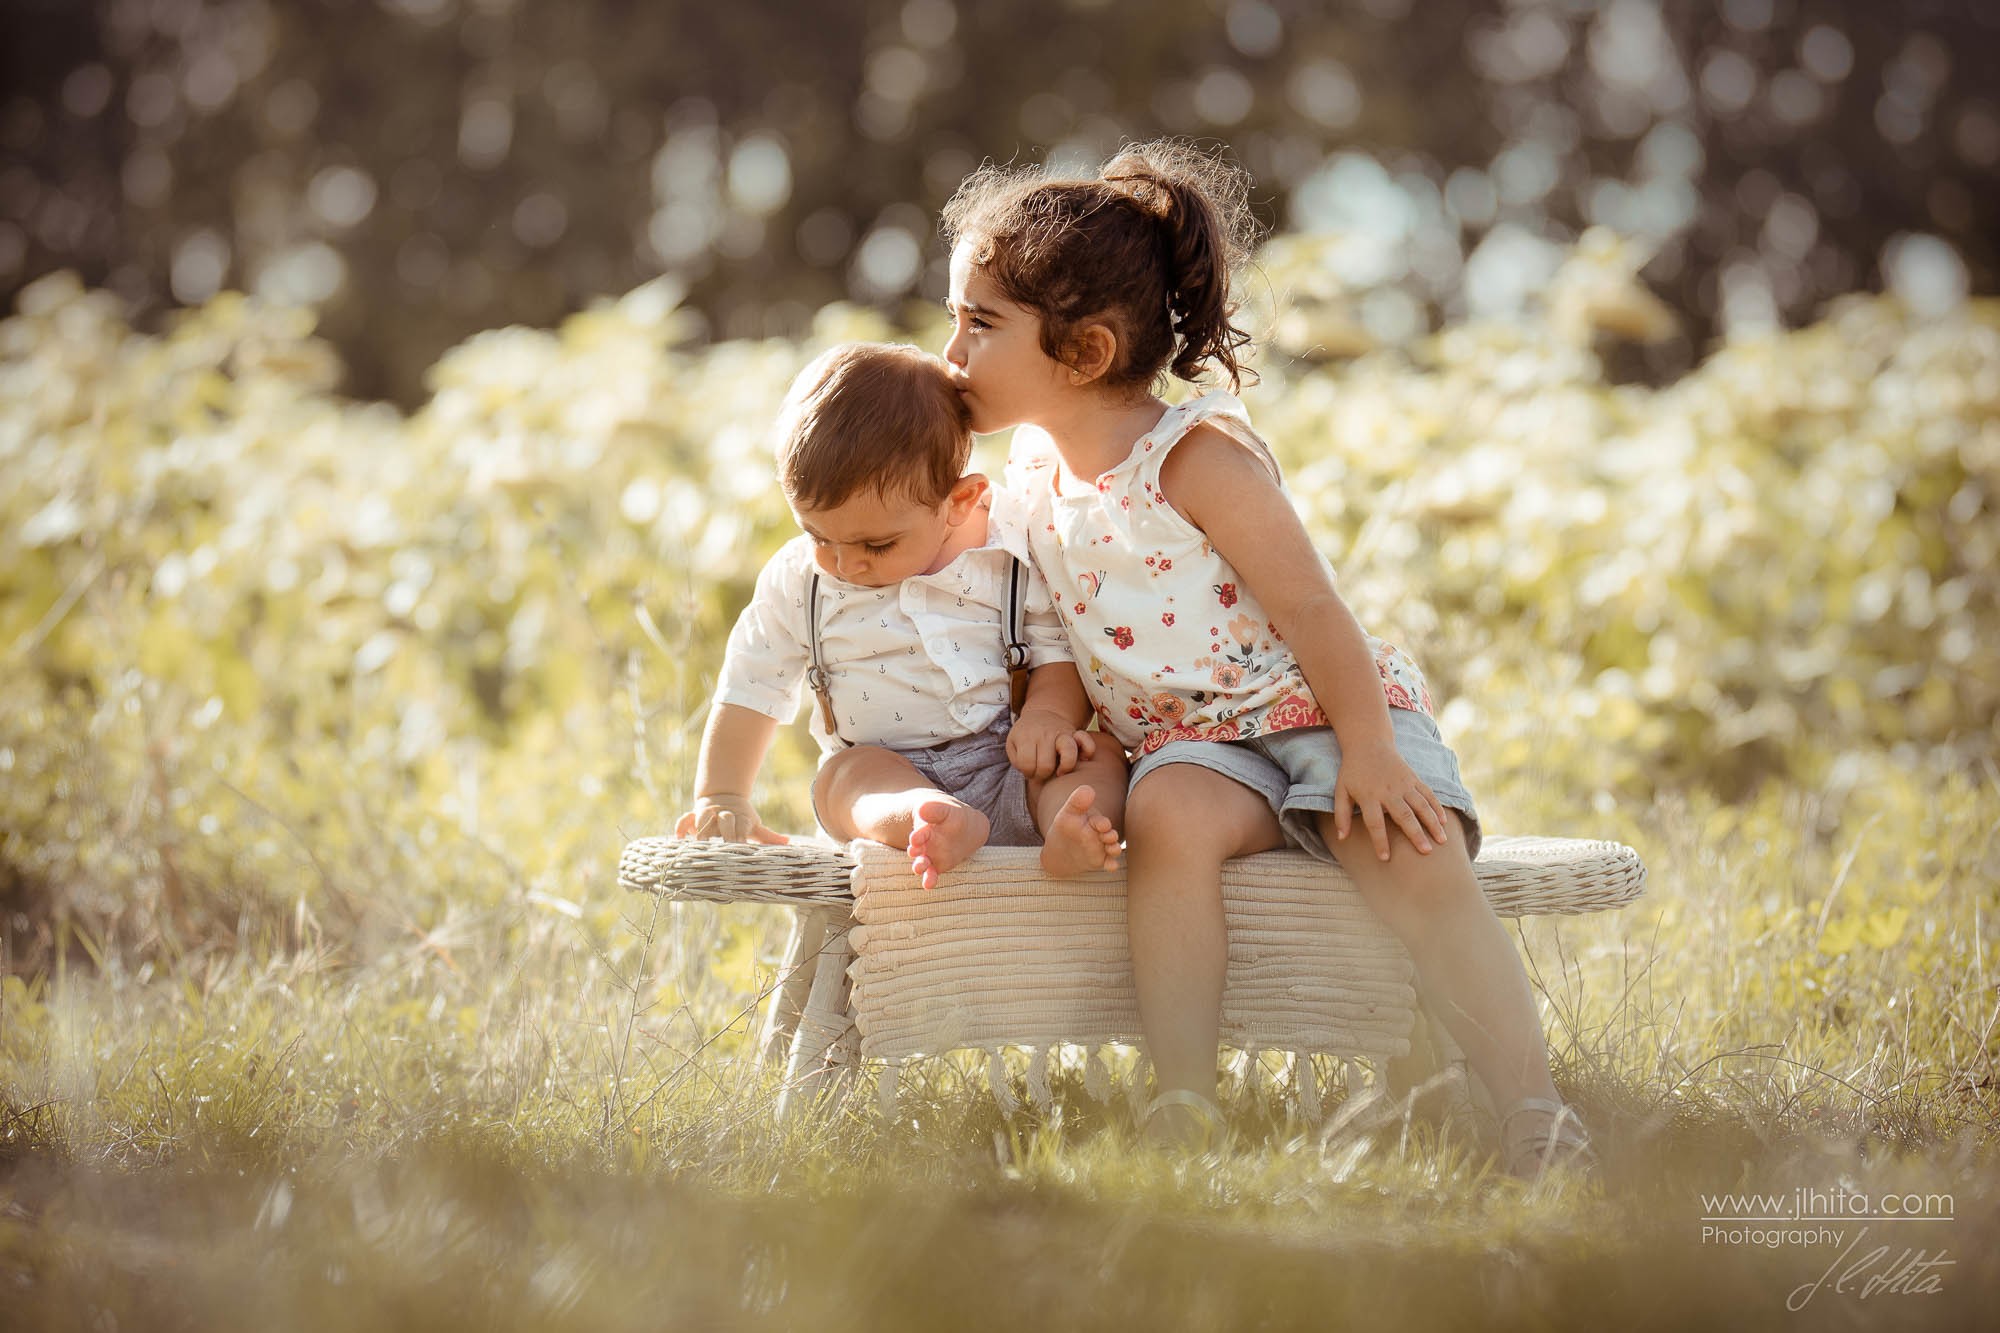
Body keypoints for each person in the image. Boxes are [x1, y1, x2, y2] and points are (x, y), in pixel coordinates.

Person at [937, 141, 1593, 1176]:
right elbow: (1054, 624)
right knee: (1165, 819)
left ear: (1087, 350)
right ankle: (1185, 1101)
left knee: (1406, 850)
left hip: (1317, 707)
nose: (951, 351)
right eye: (954, 320)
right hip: (1192, 740)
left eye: (978, 324)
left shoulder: (1195, 455)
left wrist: (1370, 750)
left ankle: (1532, 1108)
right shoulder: (1029, 471)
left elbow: (1313, 612)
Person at [674, 341, 1125, 889]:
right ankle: (926, 820)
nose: (844, 563)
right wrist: (722, 795)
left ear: (959, 501)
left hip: (1011, 763)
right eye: (818, 535)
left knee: (1095, 755)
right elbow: (752, 683)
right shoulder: (800, 580)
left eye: (877, 544)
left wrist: (1049, 719)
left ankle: (1066, 826)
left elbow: (1056, 648)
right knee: (843, 782)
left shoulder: (1007, 550)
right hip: (886, 768)